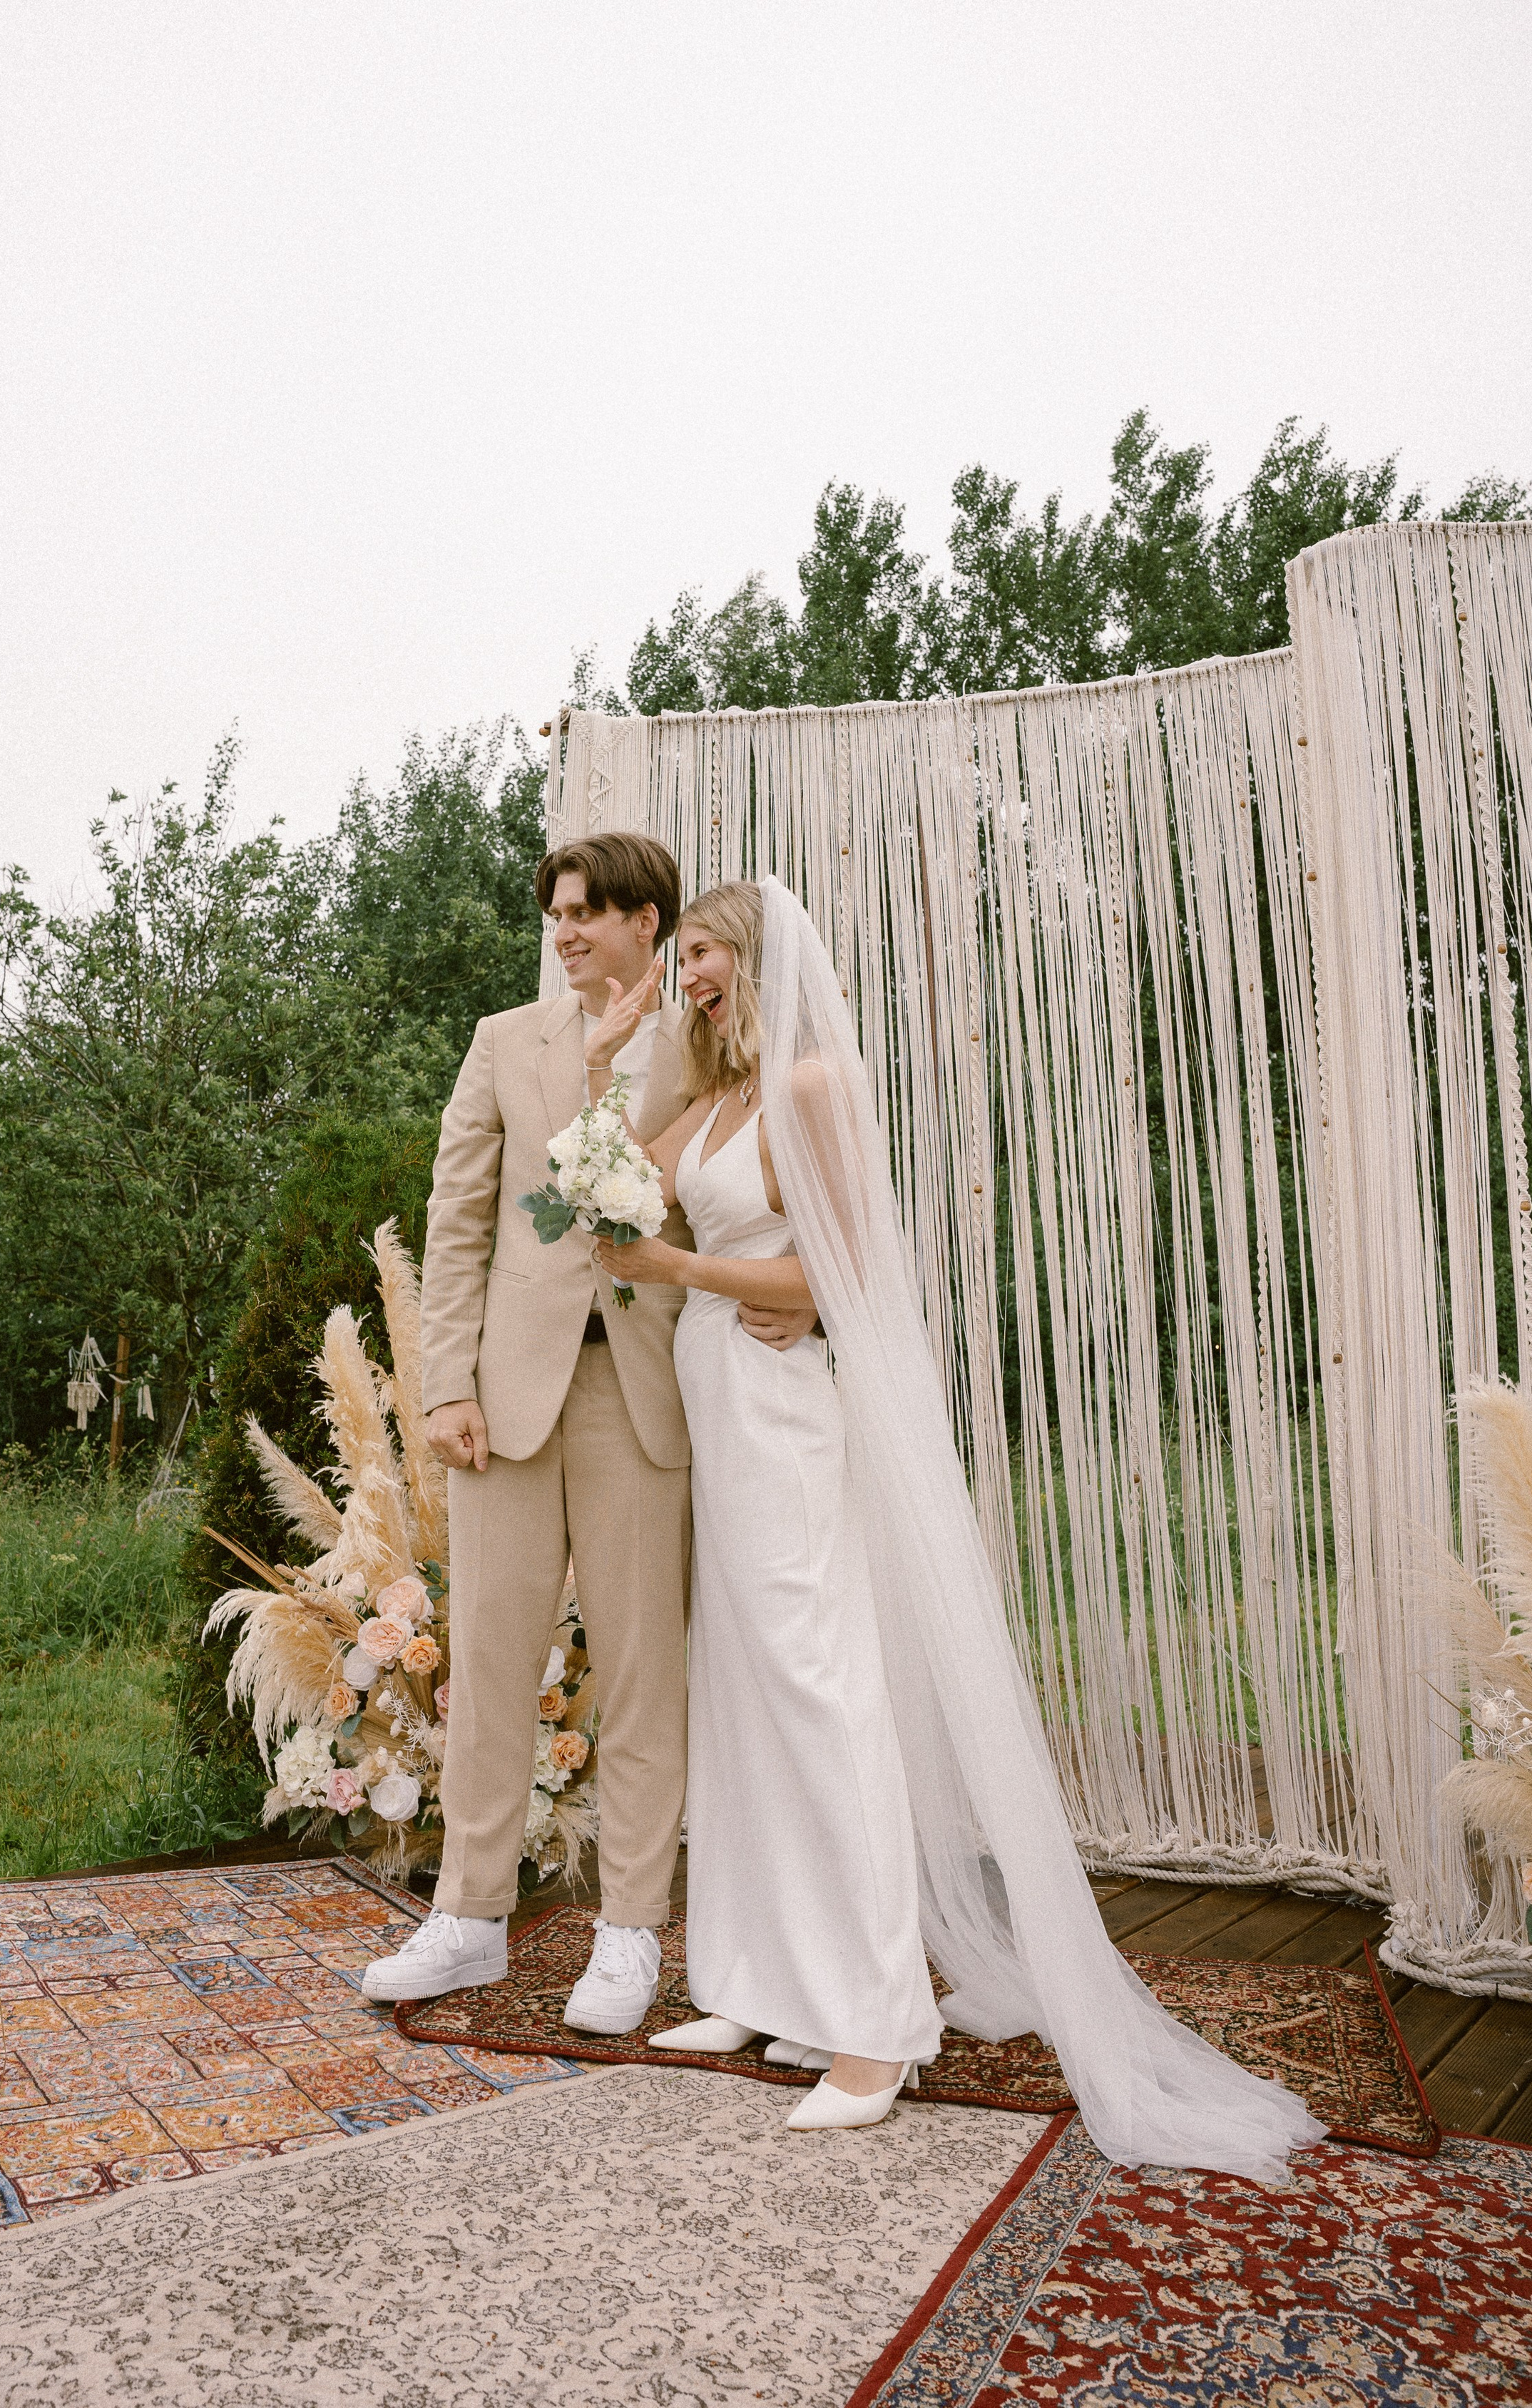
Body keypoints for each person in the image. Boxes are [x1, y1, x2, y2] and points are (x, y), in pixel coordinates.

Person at [587, 876, 1325, 2178]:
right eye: (682, 959)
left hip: (789, 1420)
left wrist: (687, 1270)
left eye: (699, 954)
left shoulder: (813, 1088)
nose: (687, 974)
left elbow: (840, 1274)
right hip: (720, 1398)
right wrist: (611, 1052)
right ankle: (763, 1984)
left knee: (822, 1694)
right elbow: (589, 1206)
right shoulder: (708, 1104)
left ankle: (877, 2025)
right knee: (745, 1692)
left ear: (753, 958)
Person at [361, 834, 814, 2032]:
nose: (564, 934)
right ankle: (467, 1918)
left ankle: (629, 1937)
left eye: (587, 915)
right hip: (504, 1403)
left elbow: (749, 1179)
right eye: (556, 915)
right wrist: (445, 1381)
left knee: (642, 1676)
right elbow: (458, 1219)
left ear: (648, 927)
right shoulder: (503, 1041)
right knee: (491, 1664)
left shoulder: (706, 1041)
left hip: (646, 1393)